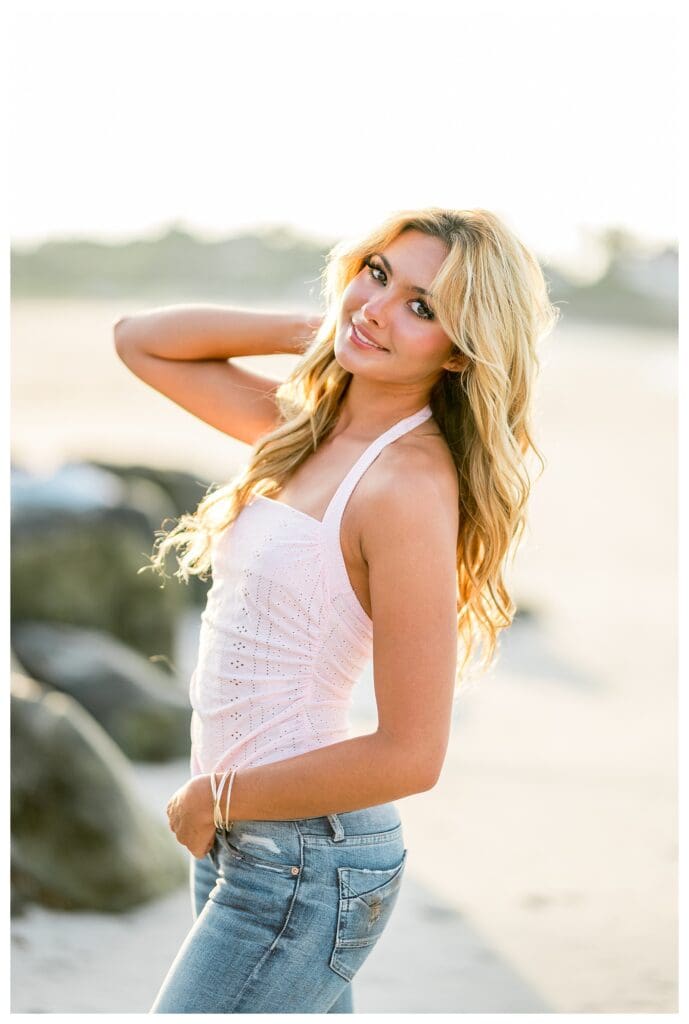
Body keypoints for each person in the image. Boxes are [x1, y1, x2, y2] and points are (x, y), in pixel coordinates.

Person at [113, 207, 559, 1013]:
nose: (381, 308)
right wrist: (333, 326)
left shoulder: (404, 486)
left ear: (461, 353)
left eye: (423, 308)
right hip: (248, 836)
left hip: (303, 857)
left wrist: (216, 798)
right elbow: (139, 337)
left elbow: (410, 754)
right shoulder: (305, 432)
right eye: (378, 274)